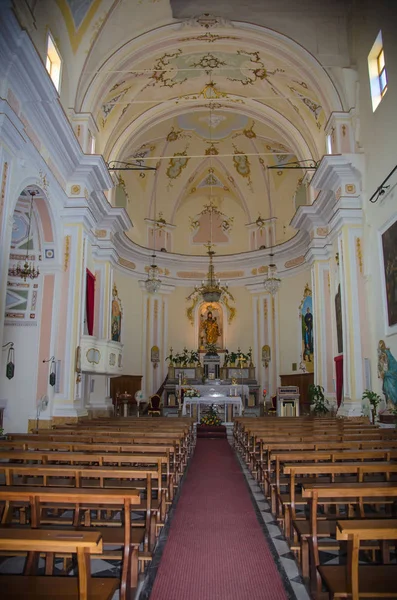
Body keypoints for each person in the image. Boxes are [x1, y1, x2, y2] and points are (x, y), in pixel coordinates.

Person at [378, 340, 397, 408]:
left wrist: (386, 373)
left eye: (384, 358)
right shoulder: (382, 357)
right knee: (386, 392)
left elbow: (395, 370)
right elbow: (381, 368)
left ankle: (393, 408)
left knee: (392, 392)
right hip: (386, 381)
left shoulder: (391, 359)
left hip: (392, 381)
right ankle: (390, 408)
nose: (383, 359)